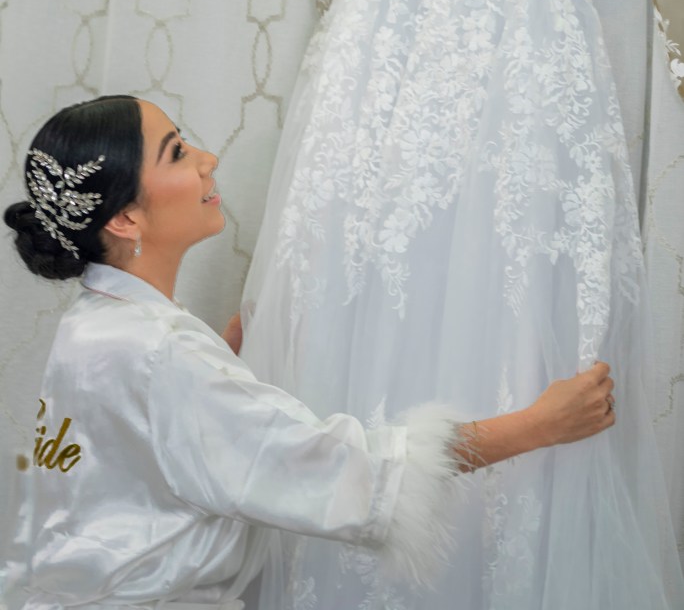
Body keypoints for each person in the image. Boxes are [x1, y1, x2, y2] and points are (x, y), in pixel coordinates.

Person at [3, 95, 615, 610]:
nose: (208, 160)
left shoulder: (93, 325)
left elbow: (130, 461)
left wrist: (213, 373)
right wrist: (538, 425)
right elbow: (343, 470)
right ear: (126, 219)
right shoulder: (159, 352)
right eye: (178, 153)